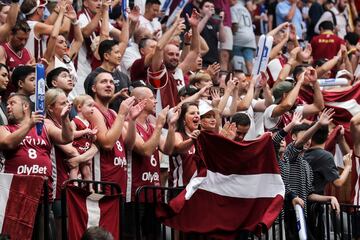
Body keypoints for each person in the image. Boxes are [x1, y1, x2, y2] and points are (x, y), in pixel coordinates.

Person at [0, 93, 73, 239]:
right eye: (7, 104)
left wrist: (65, 120)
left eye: (12, 103)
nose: (8, 107)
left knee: (43, 236)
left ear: (25, 106)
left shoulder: (44, 125)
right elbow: (7, 143)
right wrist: (29, 124)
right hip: (16, 194)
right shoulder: (4, 129)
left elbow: (67, 138)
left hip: (43, 193)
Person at [84, 39, 131, 112]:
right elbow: (92, 104)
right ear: (106, 56)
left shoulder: (124, 76)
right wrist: (117, 95)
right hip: (102, 119)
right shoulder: (93, 77)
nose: (120, 55)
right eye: (116, 52)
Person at [170, 102, 200, 187]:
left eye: (198, 113)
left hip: (199, 187)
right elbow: (178, 147)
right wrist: (192, 140)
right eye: (192, 113)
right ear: (183, 119)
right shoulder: (177, 135)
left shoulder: (201, 137)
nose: (197, 115)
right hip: (181, 188)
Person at [70, 94, 97, 180]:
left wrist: (93, 135)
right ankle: (74, 185)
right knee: (75, 168)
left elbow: (93, 140)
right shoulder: (74, 121)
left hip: (86, 151)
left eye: (93, 106)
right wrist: (84, 131)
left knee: (87, 171)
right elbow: (72, 134)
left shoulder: (89, 123)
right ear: (79, 107)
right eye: (89, 106)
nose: (92, 108)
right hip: (77, 150)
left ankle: (90, 188)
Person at [231, 0, 256, 74]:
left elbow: (235, 24)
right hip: (250, 37)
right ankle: (252, 83)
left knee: (229, 58)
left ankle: (228, 79)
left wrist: (231, 34)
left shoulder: (233, 8)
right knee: (249, 65)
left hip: (239, 36)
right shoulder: (245, 9)